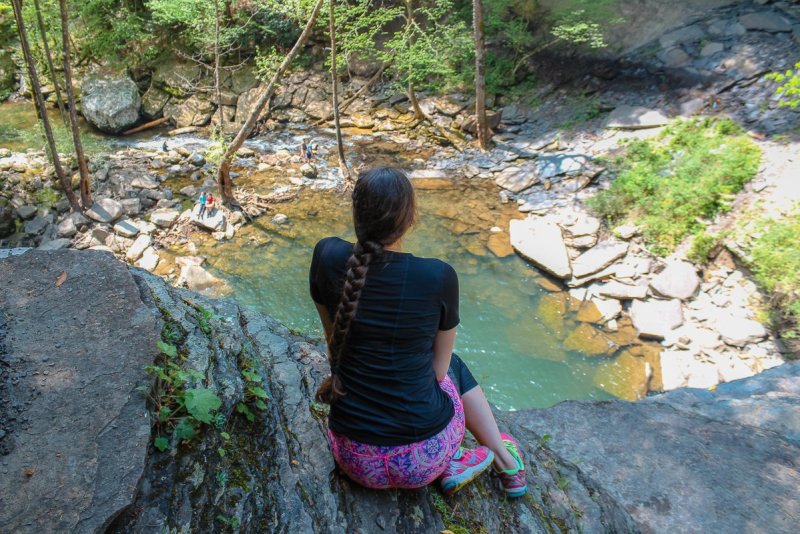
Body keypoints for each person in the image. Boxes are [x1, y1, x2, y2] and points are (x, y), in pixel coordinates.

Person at [309, 167, 526, 497]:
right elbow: (439, 373)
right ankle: (500, 458)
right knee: (454, 365)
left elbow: (332, 342)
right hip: (423, 462)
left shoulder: (326, 255)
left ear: (356, 211)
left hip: (355, 459)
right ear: (410, 218)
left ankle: (479, 459)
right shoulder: (437, 276)